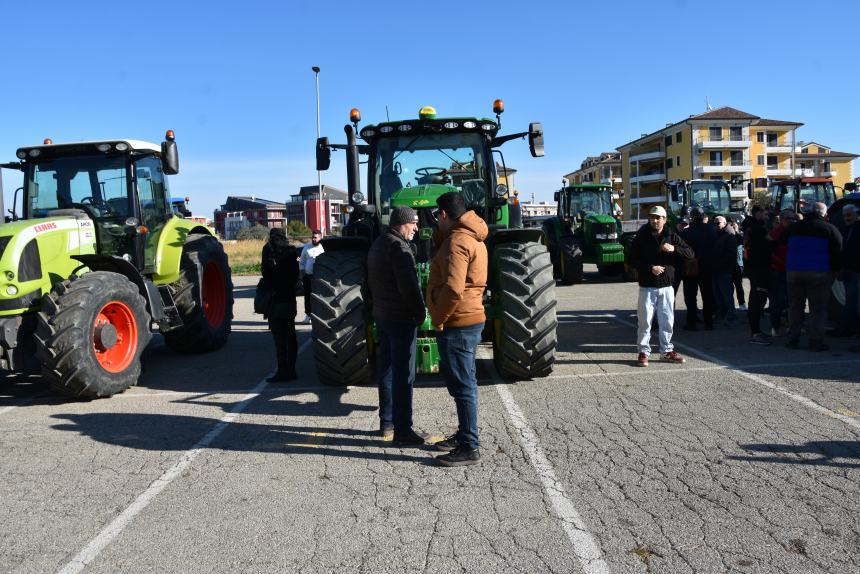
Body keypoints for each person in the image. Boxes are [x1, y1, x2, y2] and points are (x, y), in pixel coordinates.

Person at [427, 192, 488, 467]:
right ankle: (465, 435)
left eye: (436, 217)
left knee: (463, 386)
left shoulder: (457, 241)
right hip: (469, 318)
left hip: (458, 322)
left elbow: (453, 288)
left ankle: (469, 446)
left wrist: (438, 318)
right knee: (465, 383)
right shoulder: (472, 236)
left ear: (442, 214)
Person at [366, 206, 427, 444]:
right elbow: (409, 287)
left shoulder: (378, 244)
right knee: (404, 375)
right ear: (402, 223)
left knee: (388, 371)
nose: (416, 228)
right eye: (413, 223)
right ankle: (403, 431)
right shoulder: (399, 248)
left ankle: (387, 422)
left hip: (383, 315)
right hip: (401, 319)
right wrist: (420, 313)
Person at [628, 205, 693, 367]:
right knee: (645, 321)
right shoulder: (642, 236)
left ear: (664, 219)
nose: (655, 220)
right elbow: (631, 260)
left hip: (666, 287)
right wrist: (650, 268)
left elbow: (690, 253)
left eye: (658, 217)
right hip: (647, 286)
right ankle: (643, 352)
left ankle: (666, 351)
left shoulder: (671, 235)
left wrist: (674, 248)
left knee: (667, 321)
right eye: (652, 217)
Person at [783, 202, 843, 351]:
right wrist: (836, 270)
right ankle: (815, 341)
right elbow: (839, 250)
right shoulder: (828, 228)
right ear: (823, 213)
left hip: (794, 271)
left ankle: (793, 339)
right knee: (818, 309)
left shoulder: (794, 227)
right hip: (818, 272)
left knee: (795, 307)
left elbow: (782, 241)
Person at [261, 227, 299, 382]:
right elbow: (295, 275)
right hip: (289, 298)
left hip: (275, 299)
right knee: (290, 335)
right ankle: (291, 370)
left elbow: (266, 272)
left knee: (279, 338)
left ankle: (283, 371)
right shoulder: (292, 251)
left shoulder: (268, 250)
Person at [681, 207, 717, 331]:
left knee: (690, 296)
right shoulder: (711, 230)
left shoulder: (686, 232)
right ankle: (709, 322)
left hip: (691, 268)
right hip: (708, 267)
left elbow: (682, 251)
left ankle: (691, 322)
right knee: (708, 296)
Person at [744, 206, 773, 345]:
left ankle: (756, 331)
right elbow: (767, 246)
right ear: (758, 213)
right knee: (757, 300)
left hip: (756, 268)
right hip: (759, 269)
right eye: (765, 213)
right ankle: (755, 333)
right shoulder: (756, 229)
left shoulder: (754, 228)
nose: (767, 216)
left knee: (757, 300)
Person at [830, 204, 859, 339]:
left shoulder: (857, 230)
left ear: (856, 215)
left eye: (849, 215)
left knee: (855, 304)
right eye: (844, 216)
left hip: (857, 271)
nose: (846, 218)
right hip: (849, 271)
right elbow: (844, 251)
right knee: (850, 302)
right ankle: (848, 328)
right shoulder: (847, 230)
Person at [767, 209, 797, 335]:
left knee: (792, 300)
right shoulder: (775, 233)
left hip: (792, 270)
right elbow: (770, 253)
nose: (790, 221)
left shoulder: (795, 231)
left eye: (792, 218)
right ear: (781, 219)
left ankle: (791, 325)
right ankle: (775, 327)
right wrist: (782, 264)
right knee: (777, 300)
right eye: (788, 218)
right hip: (778, 270)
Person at [712, 215, 738, 326]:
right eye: (715, 223)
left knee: (726, 293)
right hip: (717, 268)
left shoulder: (729, 235)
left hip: (724, 270)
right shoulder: (720, 234)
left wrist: (721, 265)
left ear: (724, 223)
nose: (716, 225)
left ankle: (731, 316)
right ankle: (722, 314)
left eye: (718, 223)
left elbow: (731, 254)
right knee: (718, 294)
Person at [298, 230, 324, 324]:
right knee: (308, 297)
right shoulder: (307, 247)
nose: (314, 239)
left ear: (320, 238)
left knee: (320, 297)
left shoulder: (323, 247)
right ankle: (308, 315)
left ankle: (320, 316)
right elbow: (302, 262)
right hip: (308, 276)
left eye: (316, 237)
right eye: (313, 237)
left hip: (320, 278)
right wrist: (301, 276)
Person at [731, 218, 747, 311]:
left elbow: (742, 240)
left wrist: (736, 231)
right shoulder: (728, 236)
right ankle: (731, 304)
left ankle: (742, 303)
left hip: (739, 264)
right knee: (730, 287)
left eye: (735, 226)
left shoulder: (739, 236)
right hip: (732, 264)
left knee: (738, 286)